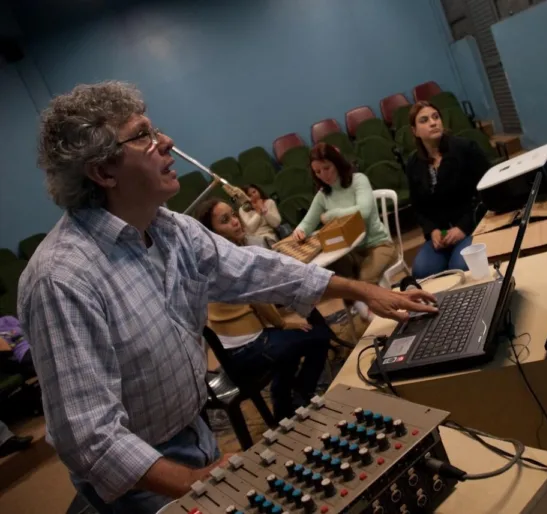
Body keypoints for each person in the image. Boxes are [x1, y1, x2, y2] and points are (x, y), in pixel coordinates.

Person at [18, 81, 436, 514]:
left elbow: (259, 269)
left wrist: (364, 290)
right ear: (104, 172)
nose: (167, 142)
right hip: (138, 482)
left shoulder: (169, 229)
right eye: (143, 134)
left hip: (193, 436)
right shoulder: (61, 281)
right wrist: (195, 481)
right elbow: (88, 436)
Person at [196, 198, 330, 420]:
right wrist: (284, 323)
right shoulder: (227, 260)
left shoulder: (212, 257)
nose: (236, 222)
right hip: (246, 351)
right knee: (319, 335)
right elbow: (261, 301)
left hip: (233, 350)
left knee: (290, 344)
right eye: (225, 220)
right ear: (211, 232)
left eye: (233, 215)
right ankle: (300, 395)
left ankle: (283, 404)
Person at [293, 143, 397, 320]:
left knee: (362, 284)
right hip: (351, 252)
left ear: (337, 163)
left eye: (327, 168)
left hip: (378, 244)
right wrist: (300, 230)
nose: (323, 175)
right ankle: (371, 315)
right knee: (340, 282)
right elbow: (307, 222)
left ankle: (378, 316)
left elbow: (363, 212)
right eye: (317, 172)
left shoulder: (359, 180)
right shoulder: (323, 194)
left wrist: (332, 215)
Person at [405, 101, 491, 279]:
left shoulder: (466, 149)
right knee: (422, 271)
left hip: (472, 225)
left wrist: (463, 227)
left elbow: (487, 191)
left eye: (436, 117)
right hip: (440, 235)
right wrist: (433, 231)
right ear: (415, 131)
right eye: (424, 120)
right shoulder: (413, 164)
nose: (433, 122)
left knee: (460, 266)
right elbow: (418, 208)